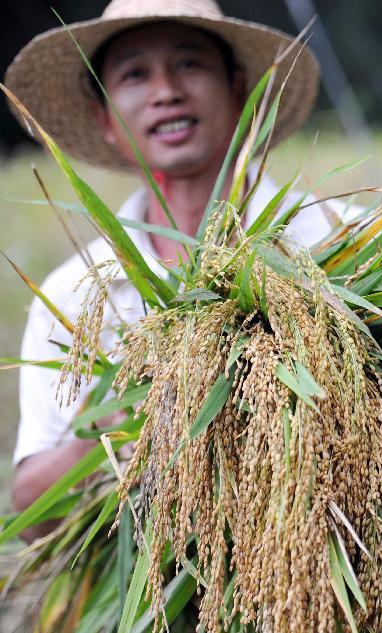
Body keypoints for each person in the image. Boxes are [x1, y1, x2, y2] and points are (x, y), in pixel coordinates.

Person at [3, 0, 344, 541]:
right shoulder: (74, 291)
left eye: (189, 64)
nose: (165, 91)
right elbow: (31, 513)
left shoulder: (338, 239)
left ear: (238, 92)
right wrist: (108, 432)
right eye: (135, 73)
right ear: (104, 118)